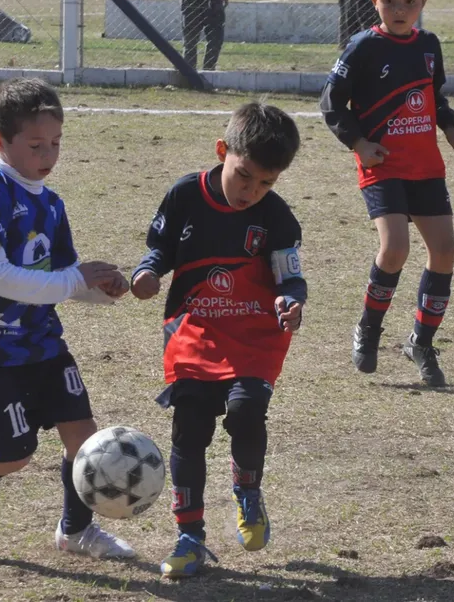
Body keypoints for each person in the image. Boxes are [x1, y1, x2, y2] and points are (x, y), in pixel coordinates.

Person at [0, 78, 136, 561]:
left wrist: (101, 290)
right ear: (0, 141)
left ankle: (75, 532)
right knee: (14, 453)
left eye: (56, 143)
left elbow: (60, 277)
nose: (49, 154)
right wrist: (71, 280)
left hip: (42, 340)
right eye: (36, 145)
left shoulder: (51, 204)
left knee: (83, 441)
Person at [130, 103, 307, 578]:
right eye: (244, 175)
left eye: (266, 183)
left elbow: (291, 277)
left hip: (254, 334)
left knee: (246, 412)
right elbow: (159, 249)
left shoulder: (276, 217)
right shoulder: (185, 195)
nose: (252, 191)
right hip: (195, 328)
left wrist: (292, 302)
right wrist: (146, 272)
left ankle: (247, 490)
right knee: (190, 425)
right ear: (222, 150)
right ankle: (189, 538)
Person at [319, 0, 454, 387]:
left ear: (424, 1)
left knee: (445, 252)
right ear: (375, 1)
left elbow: (434, 95)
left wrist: (451, 129)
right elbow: (331, 102)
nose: (400, 10)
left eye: (410, 1)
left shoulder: (429, 45)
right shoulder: (363, 46)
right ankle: (368, 329)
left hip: (426, 166)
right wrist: (359, 143)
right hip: (382, 164)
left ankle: (421, 343)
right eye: (390, 1)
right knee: (395, 249)